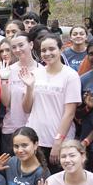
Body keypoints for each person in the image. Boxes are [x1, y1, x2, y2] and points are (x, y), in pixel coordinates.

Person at [22, 34, 81, 171]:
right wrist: (30, 88)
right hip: (35, 138)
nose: (47, 53)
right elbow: (26, 108)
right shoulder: (36, 73)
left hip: (59, 140)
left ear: (60, 50)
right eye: (43, 50)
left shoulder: (70, 76)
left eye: (51, 49)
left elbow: (70, 113)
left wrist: (58, 141)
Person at [0, 32, 39, 154]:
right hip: (11, 128)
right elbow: (6, 102)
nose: (17, 50)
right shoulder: (8, 70)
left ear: (30, 44)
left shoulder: (41, 71)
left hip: (33, 129)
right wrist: (4, 79)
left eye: (21, 45)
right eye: (14, 47)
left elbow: (31, 107)